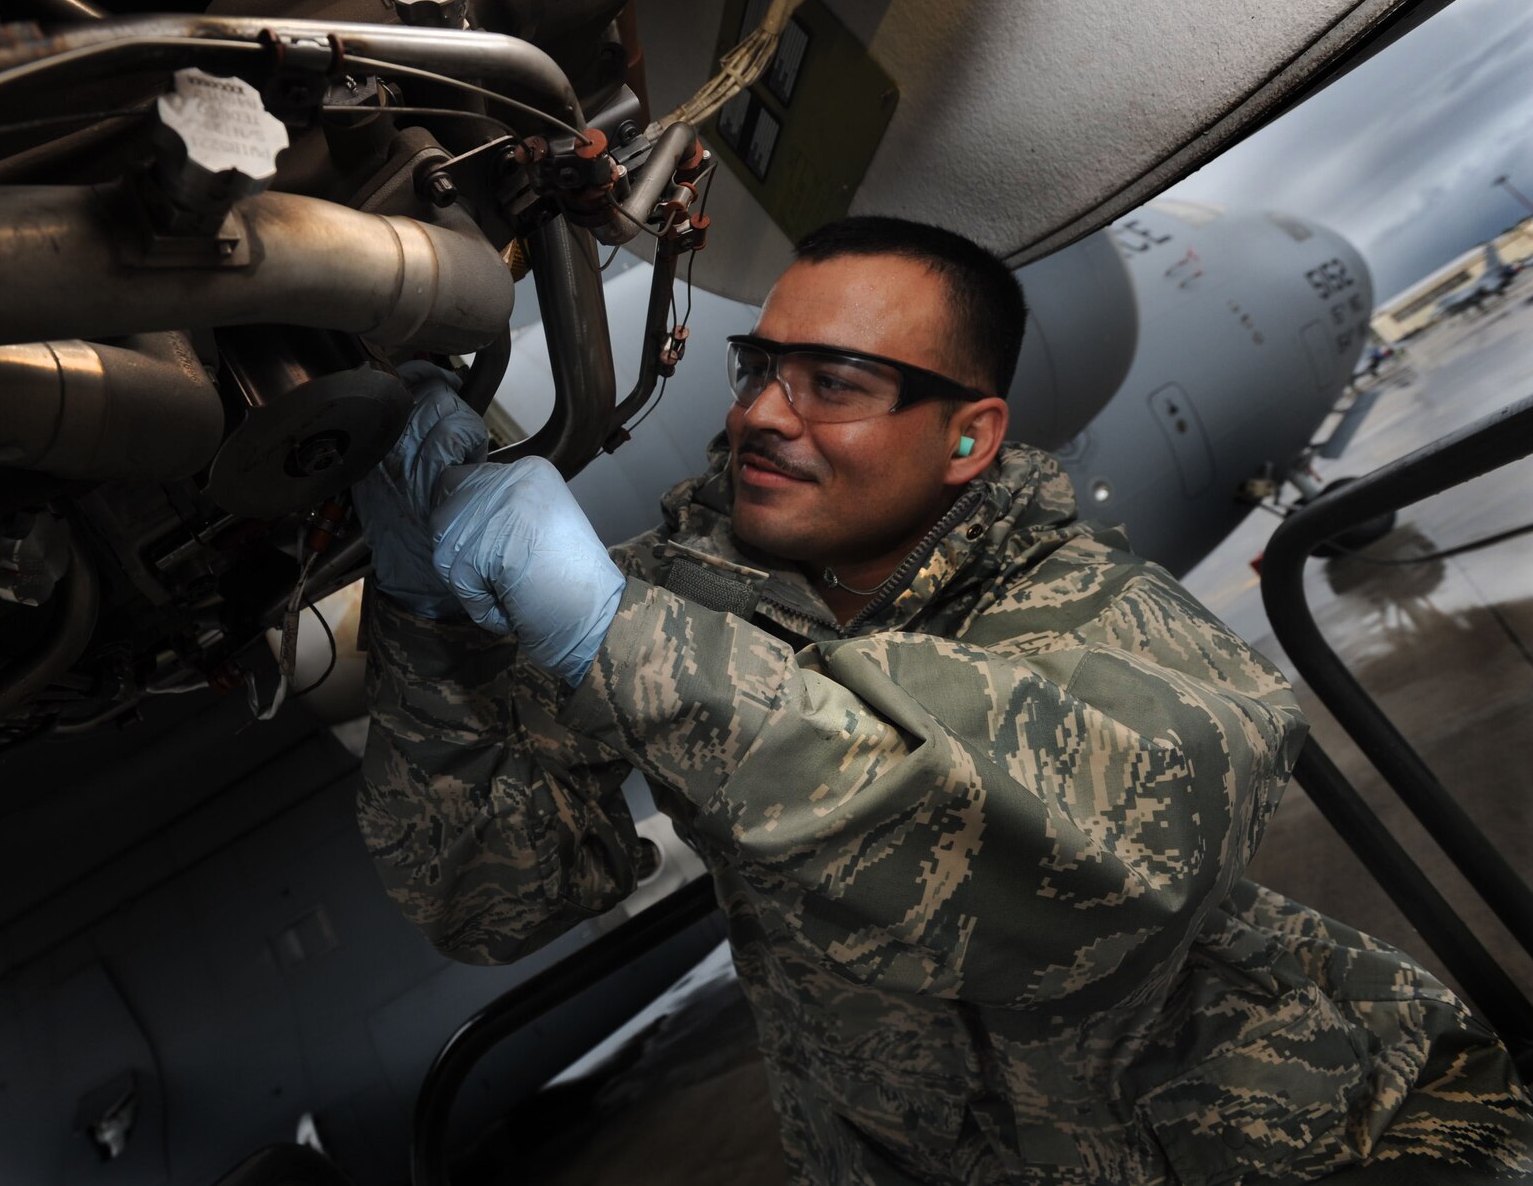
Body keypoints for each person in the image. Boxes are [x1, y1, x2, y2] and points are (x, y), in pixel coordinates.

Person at [349, 216, 1533, 1185]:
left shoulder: (1098, 610)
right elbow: (493, 900)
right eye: (758, 367)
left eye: (835, 381)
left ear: (968, 437)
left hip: (1316, 1149)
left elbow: (1080, 869)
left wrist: (615, 638)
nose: (763, 411)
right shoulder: (688, 604)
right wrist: (431, 631)